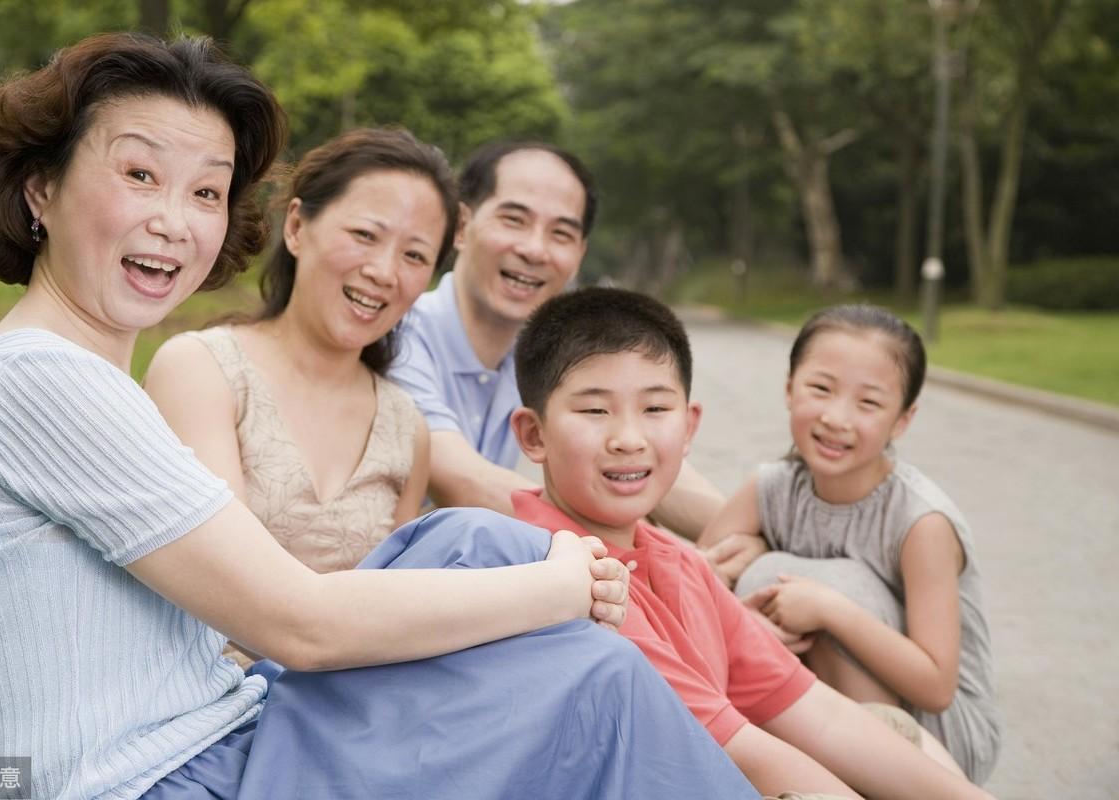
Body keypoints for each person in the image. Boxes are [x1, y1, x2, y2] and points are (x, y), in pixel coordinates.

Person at [0, 33, 759, 799]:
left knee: (478, 546)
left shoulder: (73, 375)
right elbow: (300, 623)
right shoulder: (37, 381)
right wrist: (565, 584)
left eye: (207, 192)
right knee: (591, 677)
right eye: (139, 175)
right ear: (41, 189)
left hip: (229, 732)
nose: (174, 222)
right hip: (156, 779)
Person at [508, 287, 996, 799]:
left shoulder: (680, 565)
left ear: (689, 425)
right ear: (533, 434)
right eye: (595, 411)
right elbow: (737, 747)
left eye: (655, 408)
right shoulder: (559, 573)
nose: (629, 438)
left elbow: (821, 715)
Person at [144, 128, 445, 666]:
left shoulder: (406, 425)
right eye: (365, 235)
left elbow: (404, 606)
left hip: (356, 702)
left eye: (415, 255)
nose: (383, 271)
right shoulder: (202, 369)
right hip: (208, 706)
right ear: (298, 226)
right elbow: (222, 585)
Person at [703, 304, 1002, 785]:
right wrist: (749, 568)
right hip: (821, 710)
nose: (837, 417)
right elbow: (696, 586)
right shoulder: (770, 487)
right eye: (820, 388)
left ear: (902, 421)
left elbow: (937, 684)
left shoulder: (919, 520)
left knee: (822, 583)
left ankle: (861, 773)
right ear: (788, 389)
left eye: (868, 403)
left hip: (933, 735)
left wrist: (829, 609)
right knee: (755, 574)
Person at [388, 140, 725, 537]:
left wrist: (747, 538)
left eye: (561, 234)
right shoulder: (400, 336)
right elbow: (460, 479)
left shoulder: (554, 348)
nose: (535, 250)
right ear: (461, 225)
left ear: (580, 252)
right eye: (514, 220)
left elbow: (641, 455)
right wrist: (651, 552)